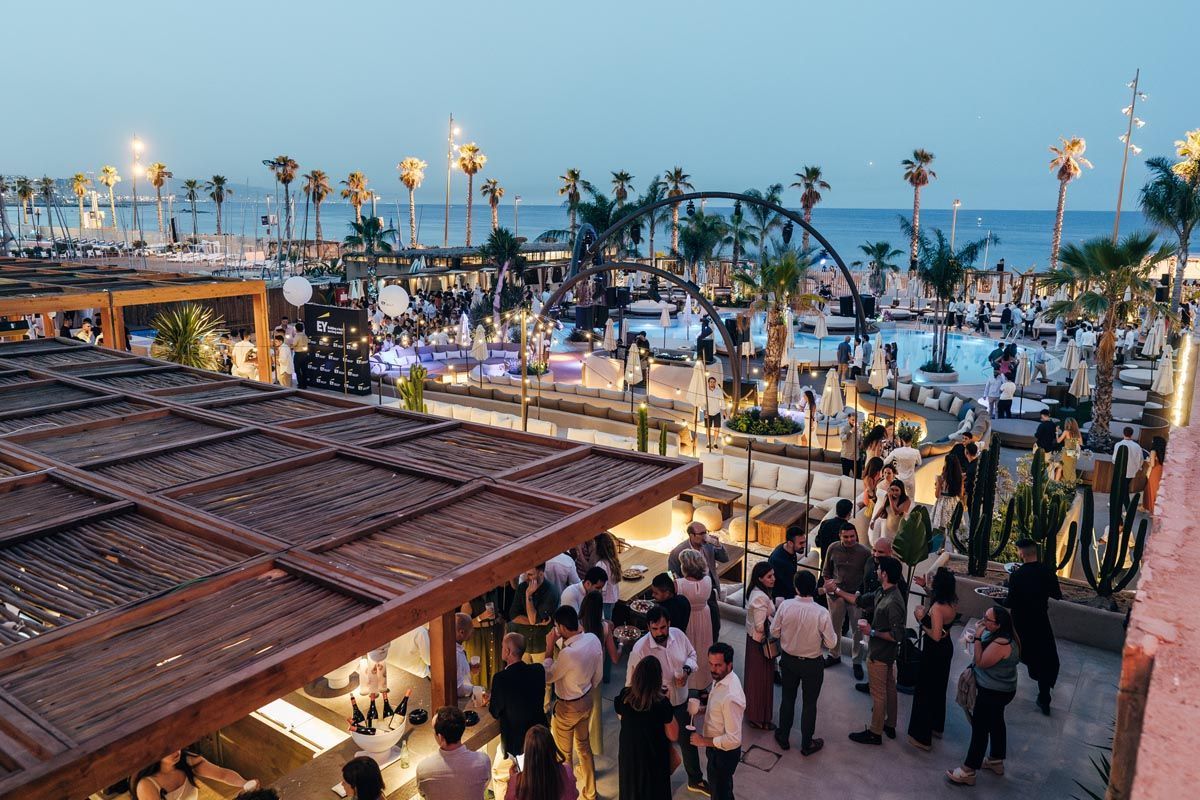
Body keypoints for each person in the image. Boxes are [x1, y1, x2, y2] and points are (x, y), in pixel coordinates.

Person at [626, 606, 704, 792]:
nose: (660, 633)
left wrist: (686, 670)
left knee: (688, 741)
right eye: (655, 629)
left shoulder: (678, 635)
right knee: (660, 748)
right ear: (648, 627)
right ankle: (660, 785)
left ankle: (695, 779)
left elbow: (692, 655)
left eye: (663, 628)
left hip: (682, 700)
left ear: (669, 624)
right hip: (658, 708)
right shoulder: (640, 650)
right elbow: (631, 683)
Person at [946, 606, 1021, 786]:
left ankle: (968, 770)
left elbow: (981, 662)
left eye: (988, 619)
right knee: (996, 721)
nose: (983, 621)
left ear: (998, 624)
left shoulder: (1002, 644)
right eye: (984, 617)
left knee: (980, 728)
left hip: (993, 692)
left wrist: (978, 637)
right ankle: (996, 760)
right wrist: (979, 635)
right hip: (1003, 689)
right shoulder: (1001, 635)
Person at [772, 571, 838, 755]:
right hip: (812, 664)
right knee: (810, 704)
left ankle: (783, 737)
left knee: (787, 699)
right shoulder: (821, 612)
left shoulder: (785, 606)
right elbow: (832, 643)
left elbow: (774, 632)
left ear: (796, 588)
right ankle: (806, 743)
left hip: (789, 660)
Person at [543, 605, 603, 800]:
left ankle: (567, 795)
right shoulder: (592, 639)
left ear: (561, 627)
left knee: (564, 756)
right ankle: (591, 793)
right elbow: (598, 675)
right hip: (586, 700)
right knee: (584, 749)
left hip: (567, 708)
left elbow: (548, 676)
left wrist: (549, 649)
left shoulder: (567, 654)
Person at [849, 556, 906, 745]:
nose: (876, 571)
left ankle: (875, 732)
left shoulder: (894, 601)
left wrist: (871, 631)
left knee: (879, 694)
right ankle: (890, 725)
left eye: (879, 569)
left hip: (881, 654)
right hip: (884, 653)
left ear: (885, 574)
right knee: (889, 688)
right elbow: (861, 600)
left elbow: (897, 635)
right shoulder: (883, 592)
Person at [1004, 538, 1061, 715]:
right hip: (1040, 622)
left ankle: (1003, 686)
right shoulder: (1047, 572)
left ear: (1021, 553)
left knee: (1012, 654)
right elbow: (1057, 595)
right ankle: (1044, 698)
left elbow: (1010, 601)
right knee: (1044, 659)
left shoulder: (1017, 575)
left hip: (1020, 624)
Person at [614, 654, 679, 800]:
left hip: (629, 757)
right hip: (653, 759)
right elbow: (673, 735)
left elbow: (619, 712)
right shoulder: (661, 704)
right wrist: (667, 701)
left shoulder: (625, 696)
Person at [907, 567, 958, 750]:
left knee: (925, 692)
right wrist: (925, 588)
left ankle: (921, 737)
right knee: (938, 689)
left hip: (934, 652)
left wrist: (920, 619)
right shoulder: (951, 602)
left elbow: (935, 635)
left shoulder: (937, 608)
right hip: (946, 649)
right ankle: (937, 726)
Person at [690, 643, 745, 800]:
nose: (713, 669)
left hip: (723, 754)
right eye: (711, 664)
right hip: (715, 750)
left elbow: (733, 740)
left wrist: (703, 741)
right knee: (724, 789)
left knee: (719, 792)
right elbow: (718, 707)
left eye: (718, 665)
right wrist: (702, 710)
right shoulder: (721, 678)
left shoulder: (730, 697)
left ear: (730, 664)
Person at [488, 632, 548, 757]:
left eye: (503, 647)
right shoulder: (538, 670)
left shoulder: (501, 678)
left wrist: (494, 697)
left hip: (516, 741)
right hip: (540, 732)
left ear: (508, 651)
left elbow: (495, 711)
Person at [822, 522, 871, 675]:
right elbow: (826, 571)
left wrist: (859, 594)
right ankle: (834, 654)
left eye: (852, 536)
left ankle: (856, 661)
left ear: (856, 535)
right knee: (834, 626)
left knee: (857, 630)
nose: (850, 539)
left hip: (855, 597)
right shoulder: (833, 548)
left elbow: (867, 576)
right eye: (846, 537)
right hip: (836, 595)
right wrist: (829, 586)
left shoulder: (865, 552)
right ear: (840, 536)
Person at [416, 705, 491, 800]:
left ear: (440, 737)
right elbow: (484, 785)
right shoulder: (483, 761)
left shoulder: (423, 768)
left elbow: (423, 793)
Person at [669, 521, 729, 637]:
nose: (705, 536)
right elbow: (670, 572)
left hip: (707, 589)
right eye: (701, 533)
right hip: (689, 593)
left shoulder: (708, 545)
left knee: (715, 623)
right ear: (691, 535)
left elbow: (725, 559)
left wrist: (718, 545)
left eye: (706, 532)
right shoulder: (678, 551)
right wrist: (675, 585)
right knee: (692, 628)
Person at [579, 590, 620, 750]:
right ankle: (594, 746)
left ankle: (580, 742)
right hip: (597, 673)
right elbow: (615, 658)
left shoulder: (578, 626)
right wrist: (621, 644)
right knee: (595, 711)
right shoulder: (604, 627)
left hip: (580, 672)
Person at [133, 751, 258, 800]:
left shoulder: (187, 761)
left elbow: (223, 774)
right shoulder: (146, 785)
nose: (176, 751)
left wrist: (245, 784)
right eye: (169, 749)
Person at [744, 562, 778, 730]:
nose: (773, 579)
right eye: (769, 576)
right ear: (760, 579)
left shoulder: (757, 593)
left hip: (755, 642)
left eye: (773, 575)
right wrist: (776, 622)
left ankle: (756, 715)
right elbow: (759, 625)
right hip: (761, 645)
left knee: (757, 680)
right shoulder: (760, 597)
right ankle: (758, 717)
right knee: (760, 682)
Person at [505, 725, 578, 800]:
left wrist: (512, 779)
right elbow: (574, 795)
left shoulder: (516, 784)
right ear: (552, 748)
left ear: (527, 753)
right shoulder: (567, 772)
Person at [676, 549, 715, 691]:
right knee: (703, 646)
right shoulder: (708, 580)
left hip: (688, 617)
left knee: (689, 648)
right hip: (704, 616)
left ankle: (690, 682)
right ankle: (704, 681)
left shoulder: (678, 584)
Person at [509, 564, 562, 657]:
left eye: (530, 574)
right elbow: (513, 616)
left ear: (541, 574)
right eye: (525, 574)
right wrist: (537, 623)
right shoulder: (522, 587)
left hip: (541, 646)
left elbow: (534, 619)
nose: (526, 578)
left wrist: (528, 596)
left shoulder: (551, 592)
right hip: (523, 645)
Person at [767, 525, 806, 602]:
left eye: (804, 542)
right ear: (790, 543)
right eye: (801, 543)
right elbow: (792, 587)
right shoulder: (781, 562)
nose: (804, 545)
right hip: (781, 599)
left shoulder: (787, 548)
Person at [1113, 426, 1145, 509]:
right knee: (1124, 488)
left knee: (1123, 490)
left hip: (1120, 470)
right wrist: (1137, 468)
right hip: (1131, 472)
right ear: (1132, 434)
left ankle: (1127, 508)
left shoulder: (1118, 444)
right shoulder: (1137, 447)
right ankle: (1120, 504)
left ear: (1123, 433)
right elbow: (1141, 460)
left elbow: (1114, 459)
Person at [592, 532, 621, 619]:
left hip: (605, 601)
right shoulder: (613, 561)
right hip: (613, 597)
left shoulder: (601, 564)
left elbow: (601, 588)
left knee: (606, 623)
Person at [1142, 436, 1166, 513]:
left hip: (1154, 471)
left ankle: (1150, 508)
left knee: (1150, 489)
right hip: (1160, 470)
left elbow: (1152, 464)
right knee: (1156, 489)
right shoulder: (1163, 450)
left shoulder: (1153, 450)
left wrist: (1148, 461)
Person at [1056, 418, 1082, 483]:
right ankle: (1071, 484)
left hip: (1067, 452)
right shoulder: (1077, 433)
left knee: (1064, 469)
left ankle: (1063, 484)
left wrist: (1056, 433)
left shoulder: (1066, 432)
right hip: (1074, 453)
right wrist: (1073, 440)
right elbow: (1080, 443)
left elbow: (1058, 441)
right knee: (1072, 469)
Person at [704, 375, 725, 446]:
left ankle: (715, 442)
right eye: (711, 382)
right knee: (708, 428)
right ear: (708, 383)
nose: (712, 383)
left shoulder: (718, 390)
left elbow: (722, 400)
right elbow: (703, 402)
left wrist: (724, 410)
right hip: (708, 412)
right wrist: (705, 412)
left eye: (713, 382)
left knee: (717, 428)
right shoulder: (705, 391)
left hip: (717, 412)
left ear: (715, 383)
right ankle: (708, 442)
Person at [292, 322, 310, 389]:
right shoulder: (305, 336)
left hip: (298, 354)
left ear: (296, 329)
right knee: (304, 370)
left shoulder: (297, 336)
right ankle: (305, 384)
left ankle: (300, 384)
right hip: (305, 354)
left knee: (297, 370)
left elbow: (294, 344)